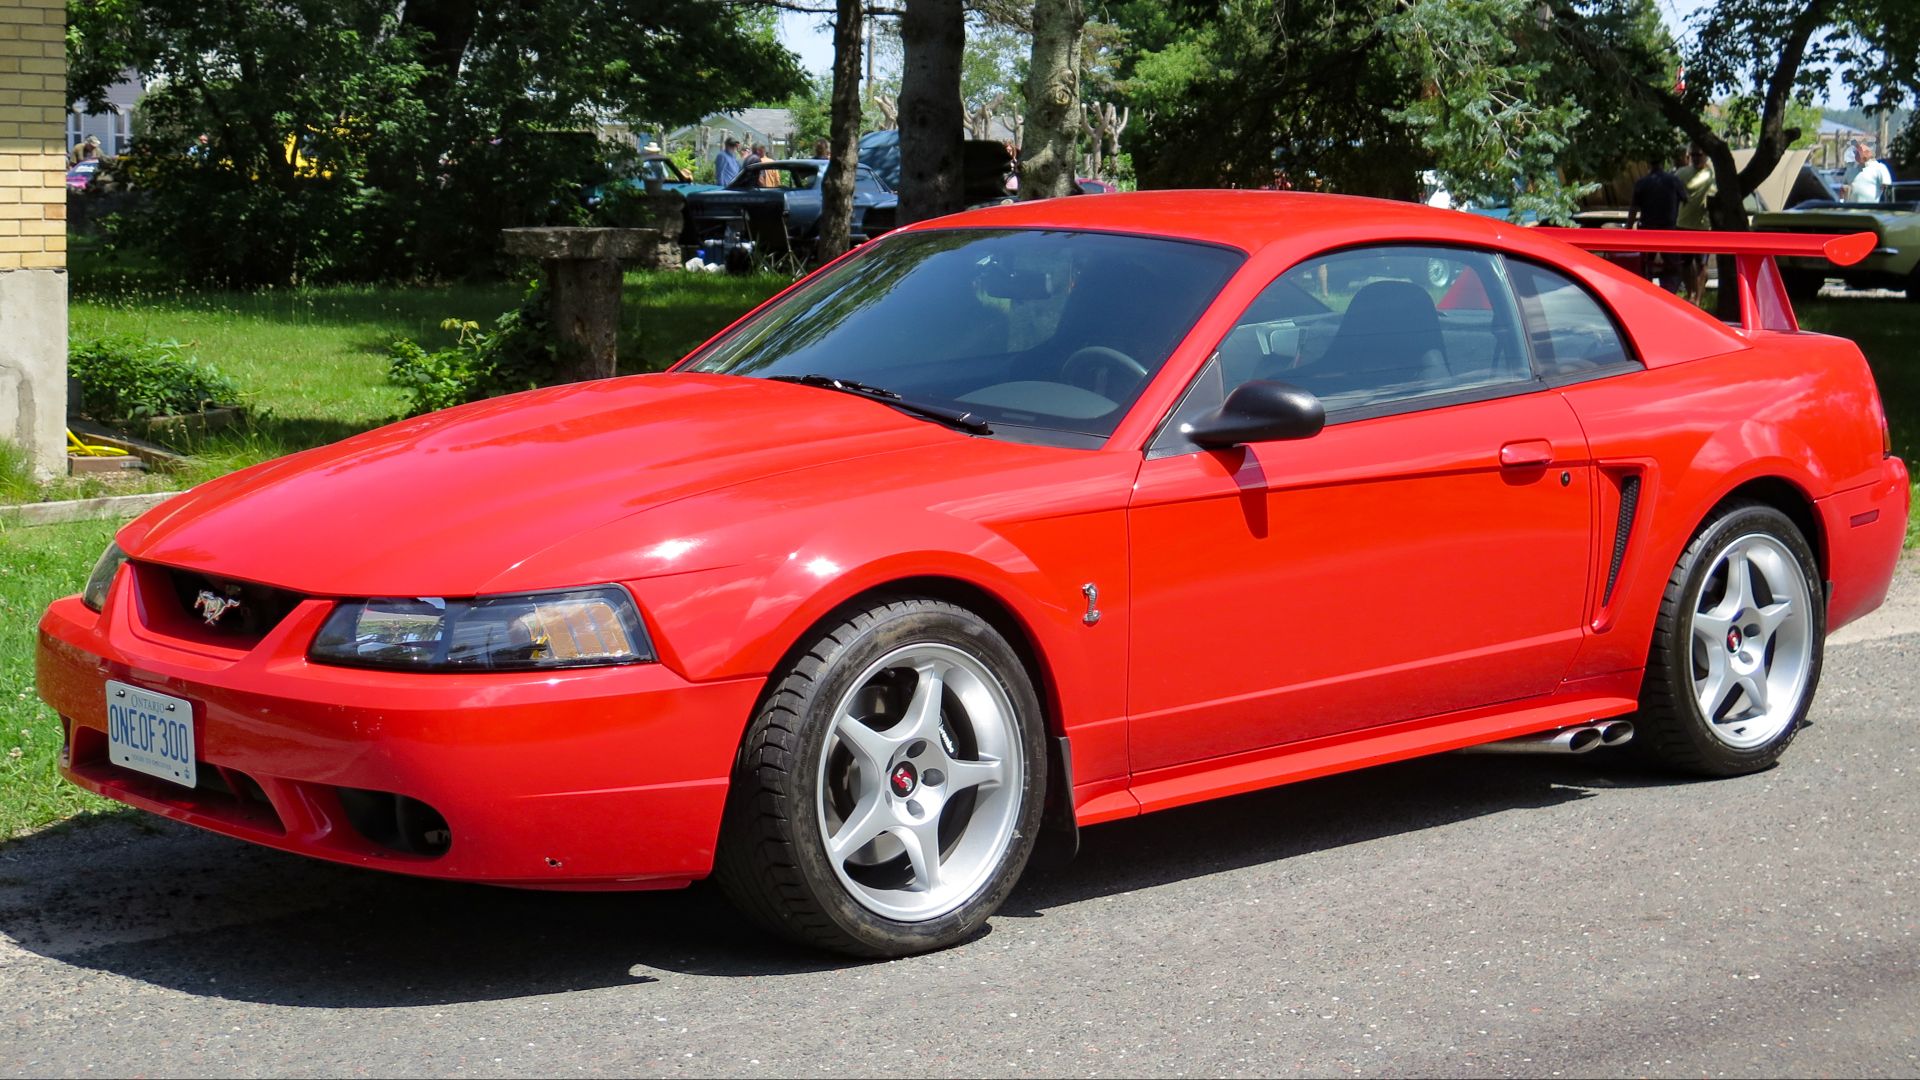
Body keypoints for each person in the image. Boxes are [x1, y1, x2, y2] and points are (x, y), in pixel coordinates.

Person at [1626, 147, 1687, 292]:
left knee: (1645, 265)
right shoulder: (1674, 181)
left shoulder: (1642, 183)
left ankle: (1645, 290)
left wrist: (1628, 229)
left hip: (1648, 230)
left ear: (1648, 163)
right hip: (1668, 230)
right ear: (1663, 162)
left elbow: (1633, 209)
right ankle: (1670, 293)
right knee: (1672, 267)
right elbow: (1685, 200)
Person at [1674, 145, 1715, 305]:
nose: (1696, 157)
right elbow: (1674, 192)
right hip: (1683, 223)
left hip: (1704, 226)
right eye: (1693, 155)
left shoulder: (1711, 174)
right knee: (1685, 263)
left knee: (1702, 264)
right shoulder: (1681, 173)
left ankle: (1697, 299)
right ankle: (1690, 294)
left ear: (1706, 155)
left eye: (1700, 154)